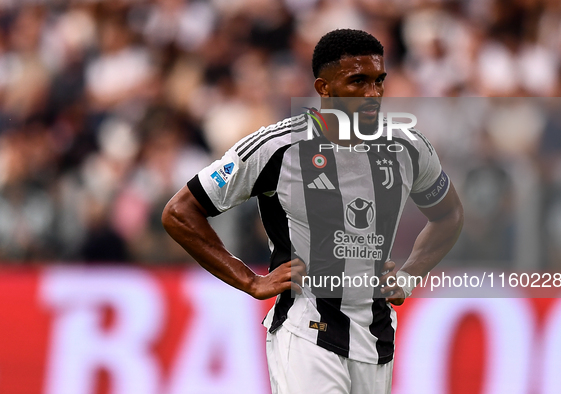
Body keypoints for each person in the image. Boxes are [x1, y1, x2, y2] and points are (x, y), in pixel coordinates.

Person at [162, 29, 463, 394]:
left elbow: (448, 216)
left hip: (376, 335)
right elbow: (180, 212)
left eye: (379, 81)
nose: (373, 95)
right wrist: (249, 280)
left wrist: (410, 275)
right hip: (307, 331)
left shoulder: (407, 147)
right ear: (324, 88)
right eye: (358, 82)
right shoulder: (278, 147)